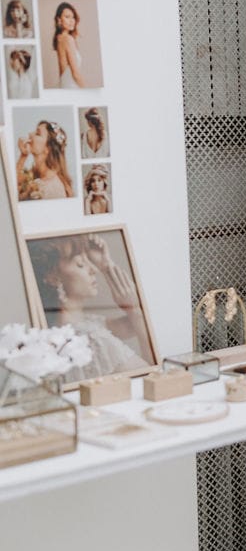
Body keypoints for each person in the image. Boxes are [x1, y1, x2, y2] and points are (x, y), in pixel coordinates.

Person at [30, 233, 151, 378]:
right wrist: (134, 309)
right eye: (80, 263)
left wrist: (107, 265)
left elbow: (138, 324)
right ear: (53, 277)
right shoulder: (91, 339)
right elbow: (153, 375)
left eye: (89, 260)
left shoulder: (80, 325)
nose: (94, 269)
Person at [16, 120, 73, 200]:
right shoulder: (34, 175)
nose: (30, 133)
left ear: (48, 148)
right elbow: (11, 187)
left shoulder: (51, 188)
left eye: (37, 133)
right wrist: (23, 155)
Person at [53, 0, 85, 89]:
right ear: (59, 20)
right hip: (71, 85)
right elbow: (75, 74)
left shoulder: (59, 38)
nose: (72, 21)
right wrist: (85, 90)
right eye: (67, 17)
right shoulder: (67, 39)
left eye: (73, 17)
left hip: (65, 84)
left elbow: (62, 72)